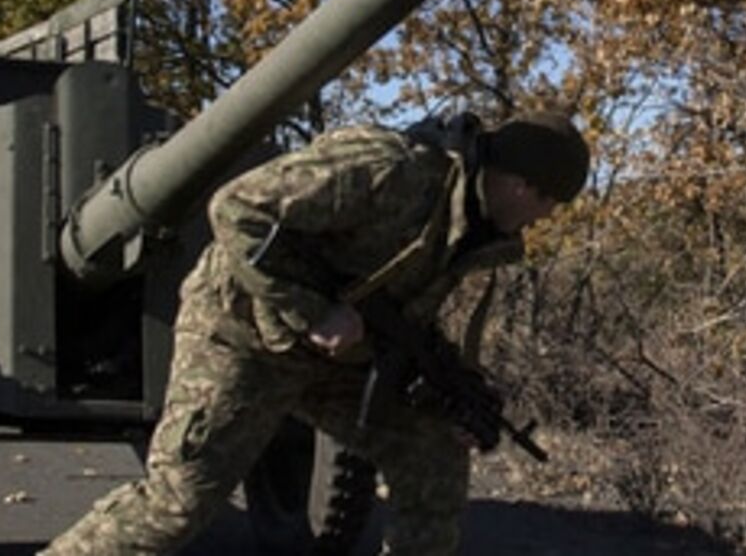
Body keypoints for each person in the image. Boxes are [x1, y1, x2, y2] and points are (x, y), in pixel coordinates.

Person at [41, 109, 591, 556]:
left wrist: (459, 396)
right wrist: (313, 313)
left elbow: (408, 315)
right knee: (179, 501)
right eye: (548, 204)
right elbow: (236, 208)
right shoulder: (389, 168)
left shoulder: (476, 230)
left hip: (340, 357)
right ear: (523, 185)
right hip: (243, 334)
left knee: (434, 453)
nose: (543, 219)